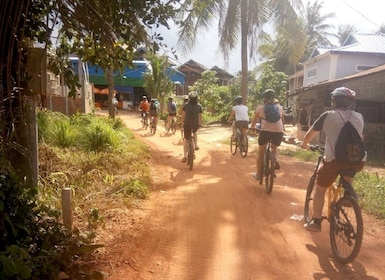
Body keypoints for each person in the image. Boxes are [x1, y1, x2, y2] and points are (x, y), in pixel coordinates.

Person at [301, 87, 366, 232]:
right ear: (350, 103)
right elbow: (361, 138)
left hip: (334, 161)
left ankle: (316, 221)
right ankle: (348, 196)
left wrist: (305, 145)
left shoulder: (327, 116)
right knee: (349, 169)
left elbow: (310, 134)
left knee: (320, 189)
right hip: (358, 160)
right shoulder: (360, 117)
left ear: (334, 101)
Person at [250, 89, 284, 181]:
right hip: (279, 131)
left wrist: (252, 128)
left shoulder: (260, 108)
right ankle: (275, 159)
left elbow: (254, 122)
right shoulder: (280, 108)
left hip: (265, 132)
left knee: (261, 152)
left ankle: (258, 174)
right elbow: (282, 120)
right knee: (274, 147)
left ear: (264, 99)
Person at [180, 91, 203, 162]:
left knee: (186, 140)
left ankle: (184, 157)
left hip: (187, 124)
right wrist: (200, 123)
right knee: (195, 132)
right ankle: (195, 145)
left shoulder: (186, 105)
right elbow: (200, 116)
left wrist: (181, 122)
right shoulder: (199, 106)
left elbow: (183, 115)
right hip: (195, 124)